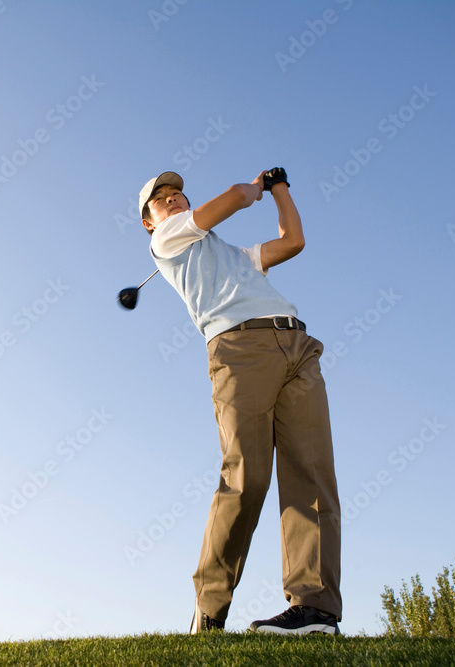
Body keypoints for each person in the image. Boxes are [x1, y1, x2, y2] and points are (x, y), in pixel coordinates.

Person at [138, 168, 342, 635]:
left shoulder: (233, 255)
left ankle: (316, 608)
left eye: (178, 195)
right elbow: (231, 197)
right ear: (150, 221)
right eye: (161, 199)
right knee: (246, 478)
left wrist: (280, 190)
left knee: (311, 473)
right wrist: (252, 189)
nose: (173, 200)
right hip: (239, 350)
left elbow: (292, 242)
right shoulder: (167, 240)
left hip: (297, 345)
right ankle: (210, 610)